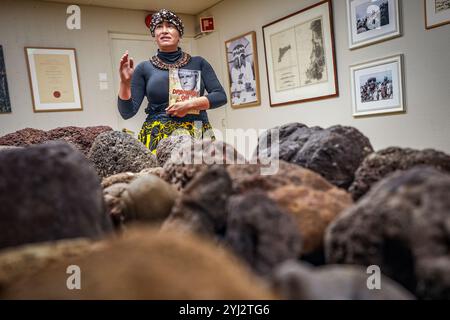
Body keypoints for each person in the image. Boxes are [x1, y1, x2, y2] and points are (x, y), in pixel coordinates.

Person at [118, 9, 227, 153]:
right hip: (157, 137)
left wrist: (189, 104)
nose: (164, 30)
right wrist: (124, 83)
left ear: (179, 34)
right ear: (154, 36)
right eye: (158, 27)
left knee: (200, 175)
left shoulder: (199, 63)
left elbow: (220, 96)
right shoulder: (144, 68)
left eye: (170, 26)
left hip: (197, 133)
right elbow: (127, 112)